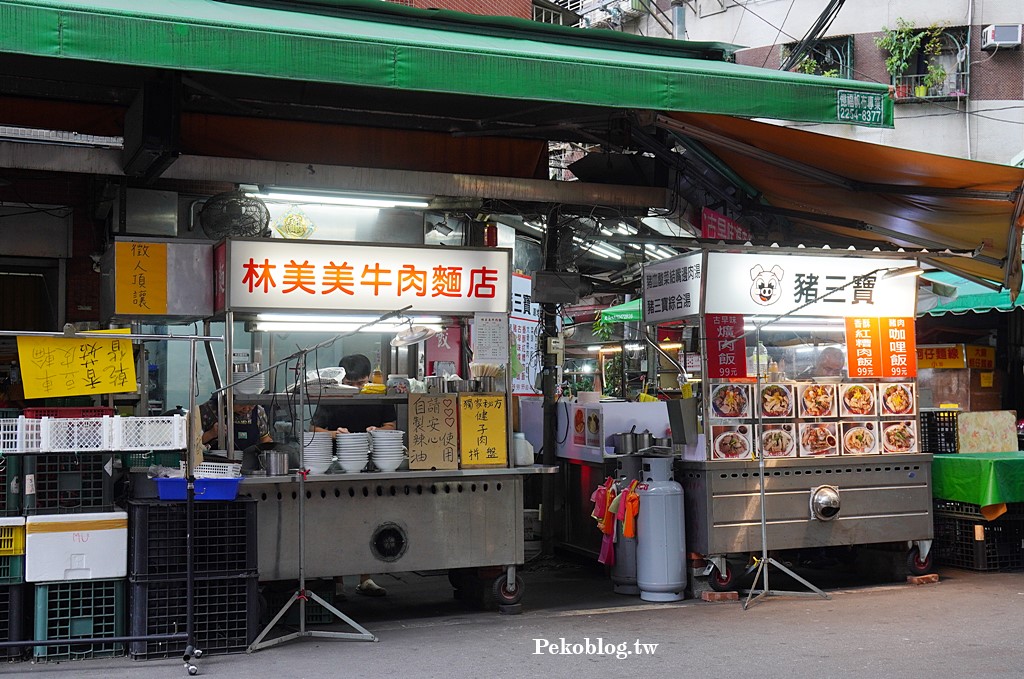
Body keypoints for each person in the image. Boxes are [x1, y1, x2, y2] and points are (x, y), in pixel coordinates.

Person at [311, 353, 395, 598]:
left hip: (372, 466)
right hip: (337, 467)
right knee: (339, 524)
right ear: (341, 379)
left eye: (362, 383)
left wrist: (375, 431)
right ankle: (337, 580)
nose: (357, 388)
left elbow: (390, 426)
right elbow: (314, 429)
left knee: (369, 522)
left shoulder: (378, 395)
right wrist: (335, 434)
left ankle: (365, 578)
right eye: (351, 383)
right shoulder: (331, 396)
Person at [199, 395, 272, 452]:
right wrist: (211, 434)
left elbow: (265, 438)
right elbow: (192, 443)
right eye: (241, 405)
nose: (246, 409)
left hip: (250, 466)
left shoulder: (259, 412)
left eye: (251, 405)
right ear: (229, 398)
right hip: (215, 466)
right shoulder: (209, 409)